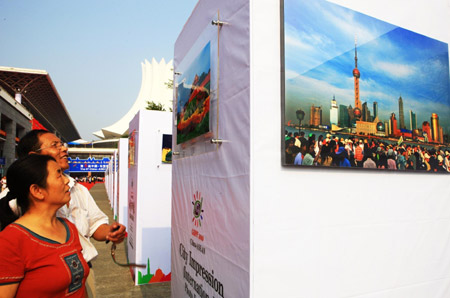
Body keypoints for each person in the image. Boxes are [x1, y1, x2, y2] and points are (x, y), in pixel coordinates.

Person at [0, 129, 126, 297]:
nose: (64, 149)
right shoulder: (9, 212)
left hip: (81, 272)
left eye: (62, 144)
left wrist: (109, 232)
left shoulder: (72, 216)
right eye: (55, 145)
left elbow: (95, 224)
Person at [0, 154, 89, 297]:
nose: (67, 180)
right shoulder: (10, 241)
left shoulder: (69, 228)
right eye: (59, 175)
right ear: (37, 191)